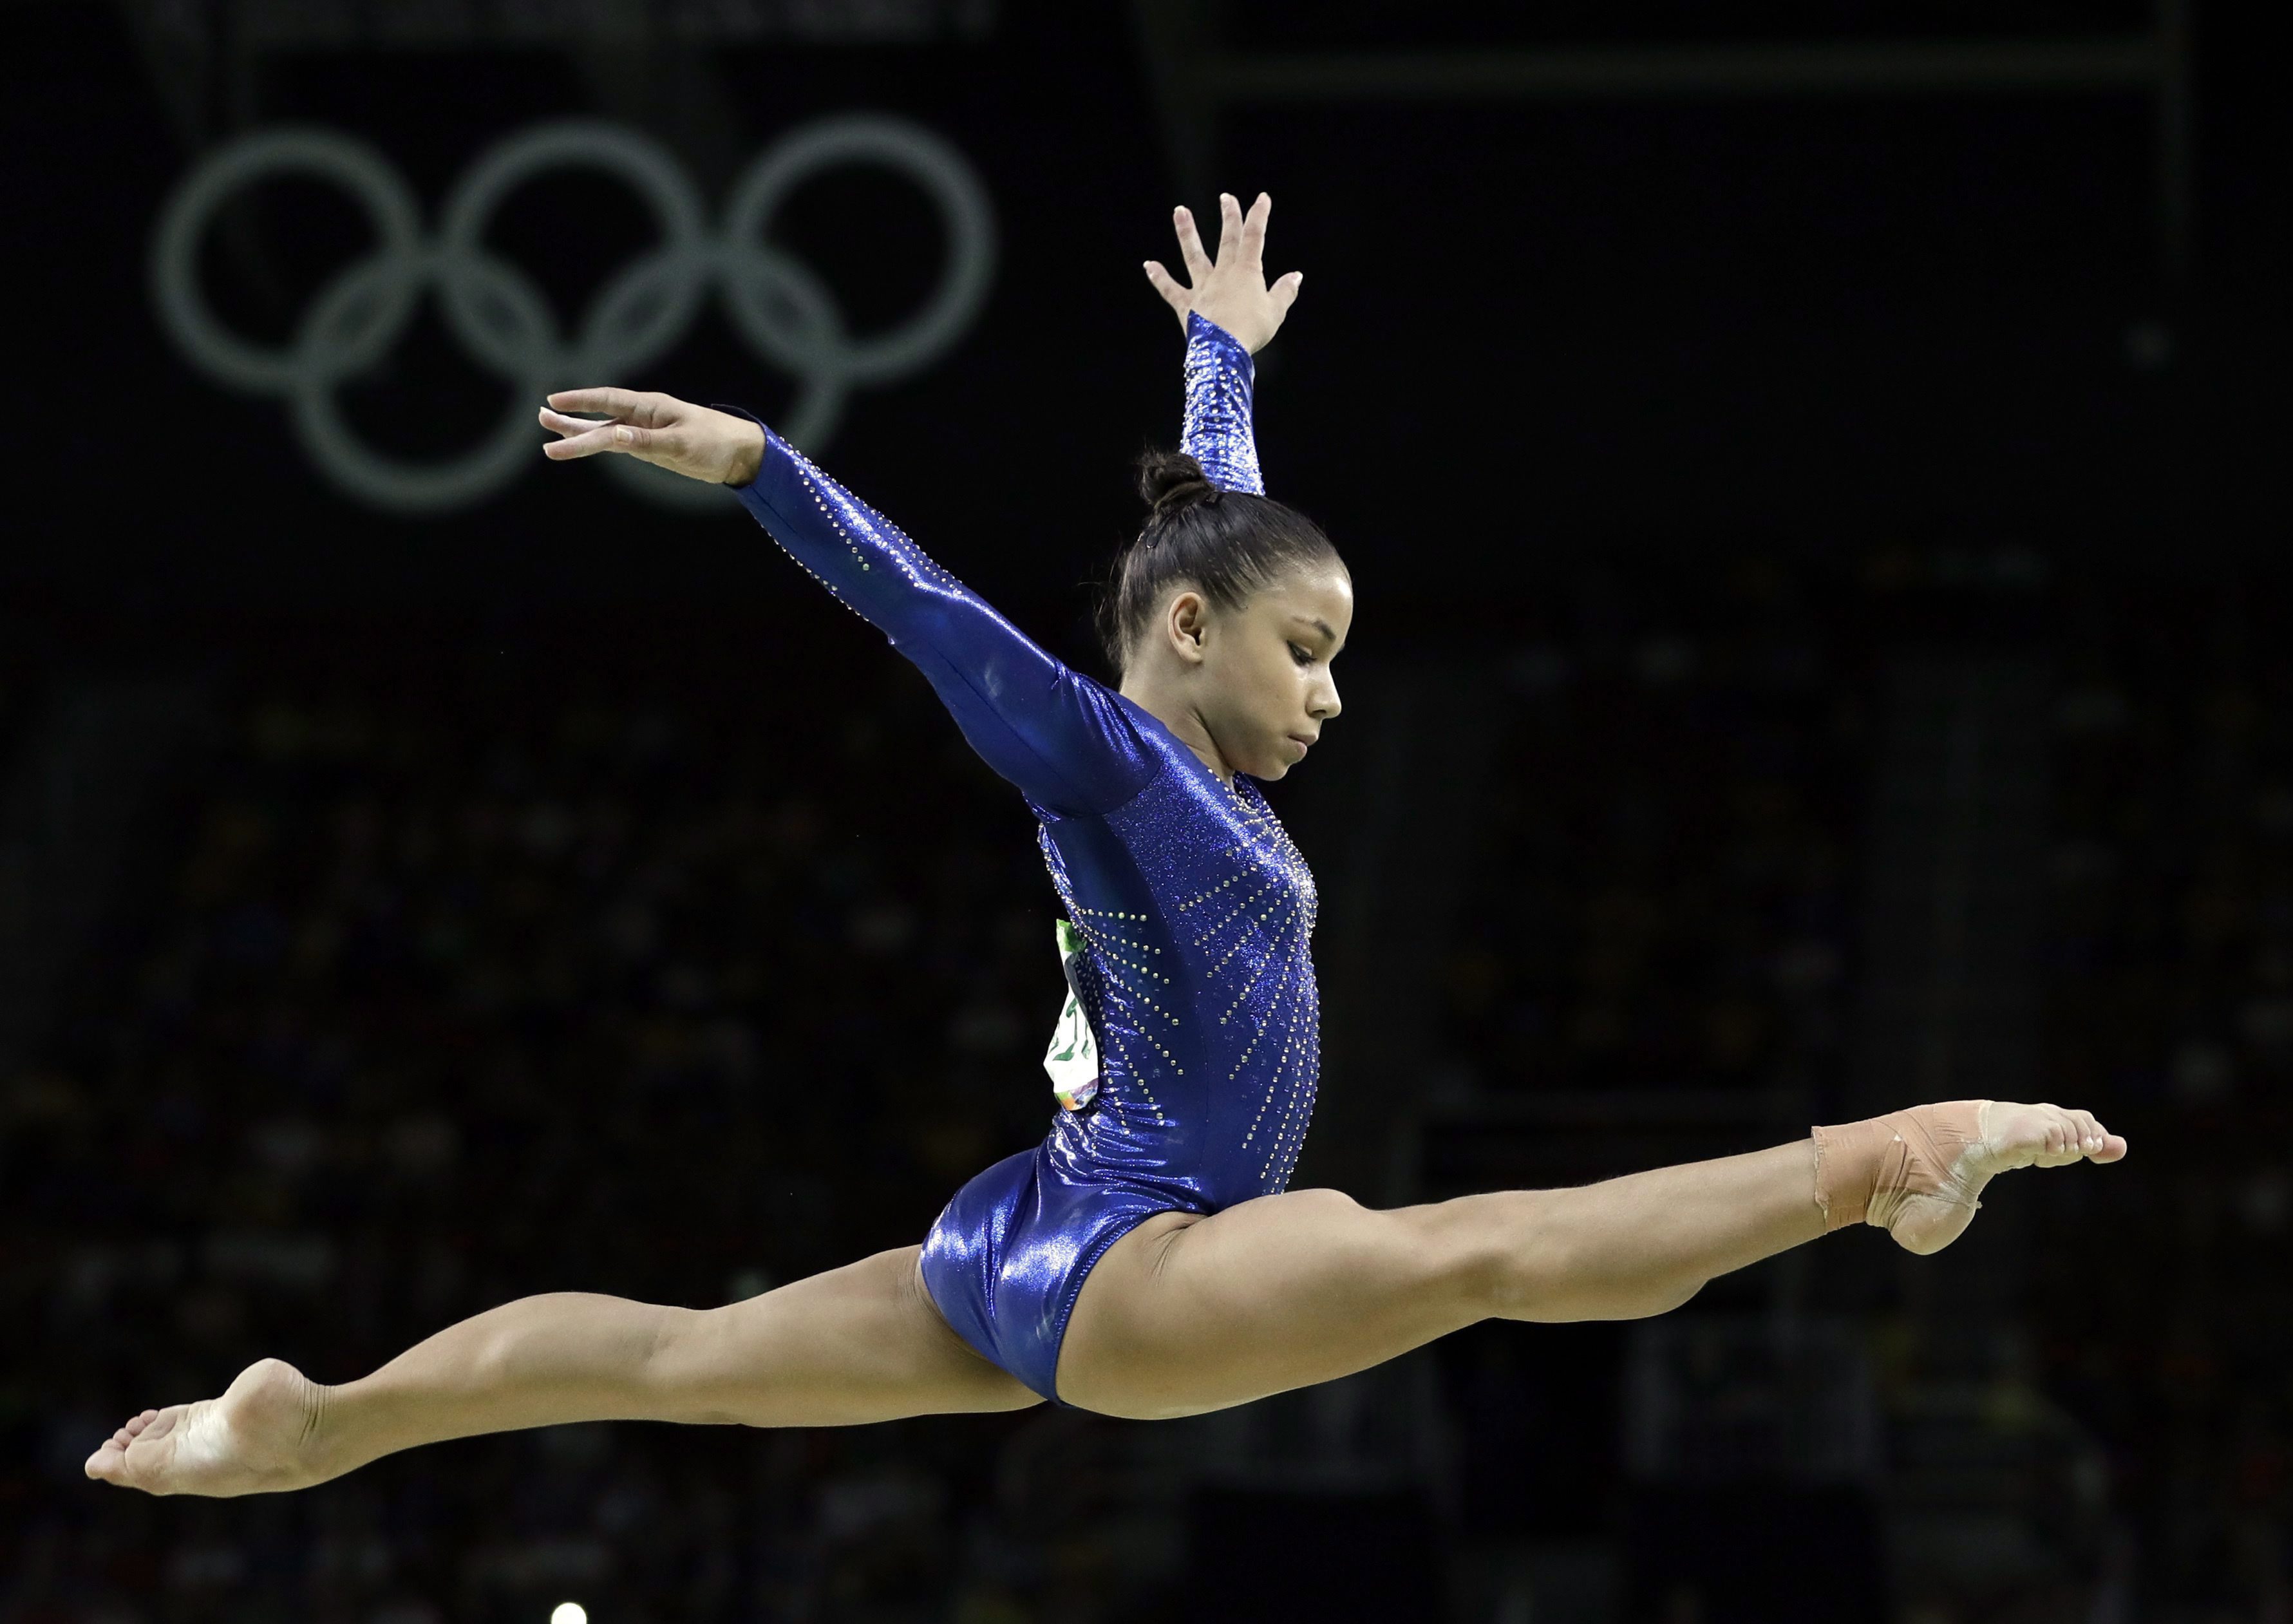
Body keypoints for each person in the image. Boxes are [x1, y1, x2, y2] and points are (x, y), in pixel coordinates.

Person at [86, 193, 2125, 1497]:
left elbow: (1212, 524)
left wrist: (1219, 360)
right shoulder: (1111, 764)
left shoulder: (1192, 750)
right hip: (1145, 1254)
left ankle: (318, 1422)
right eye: (1306, 653)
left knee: (683, 1360)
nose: (1330, 692)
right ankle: (1874, 1163)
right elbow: (934, 614)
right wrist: (766, 467)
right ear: (1183, 642)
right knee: (1475, 1250)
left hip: (1028, 1231)